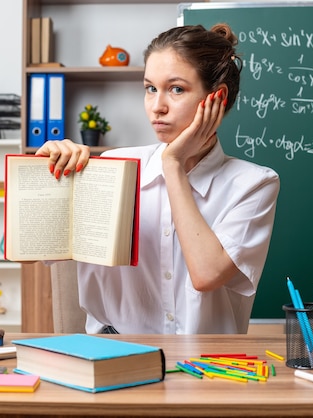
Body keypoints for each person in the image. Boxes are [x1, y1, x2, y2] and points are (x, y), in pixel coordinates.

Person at [36, 23, 280, 334]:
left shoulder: (253, 184)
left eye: (176, 89)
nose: (157, 107)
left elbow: (206, 275)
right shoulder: (110, 169)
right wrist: (47, 177)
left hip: (207, 366)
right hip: (113, 353)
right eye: (150, 88)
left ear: (216, 99)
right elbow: (35, 251)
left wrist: (173, 164)